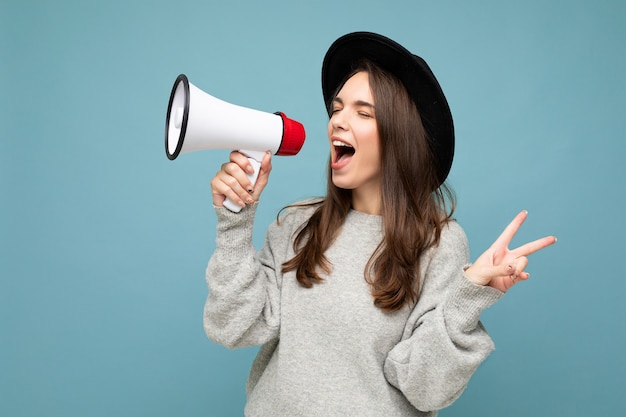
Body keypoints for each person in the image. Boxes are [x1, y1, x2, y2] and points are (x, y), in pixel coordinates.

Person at [204, 32, 556, 417]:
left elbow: (426, 389)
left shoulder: (438, 243)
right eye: (337, 109)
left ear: (399, 138)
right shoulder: (298, 224)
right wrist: (235, 221)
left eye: (363, 112)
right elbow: (232, 328)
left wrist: (466, 297)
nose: (337, 121)